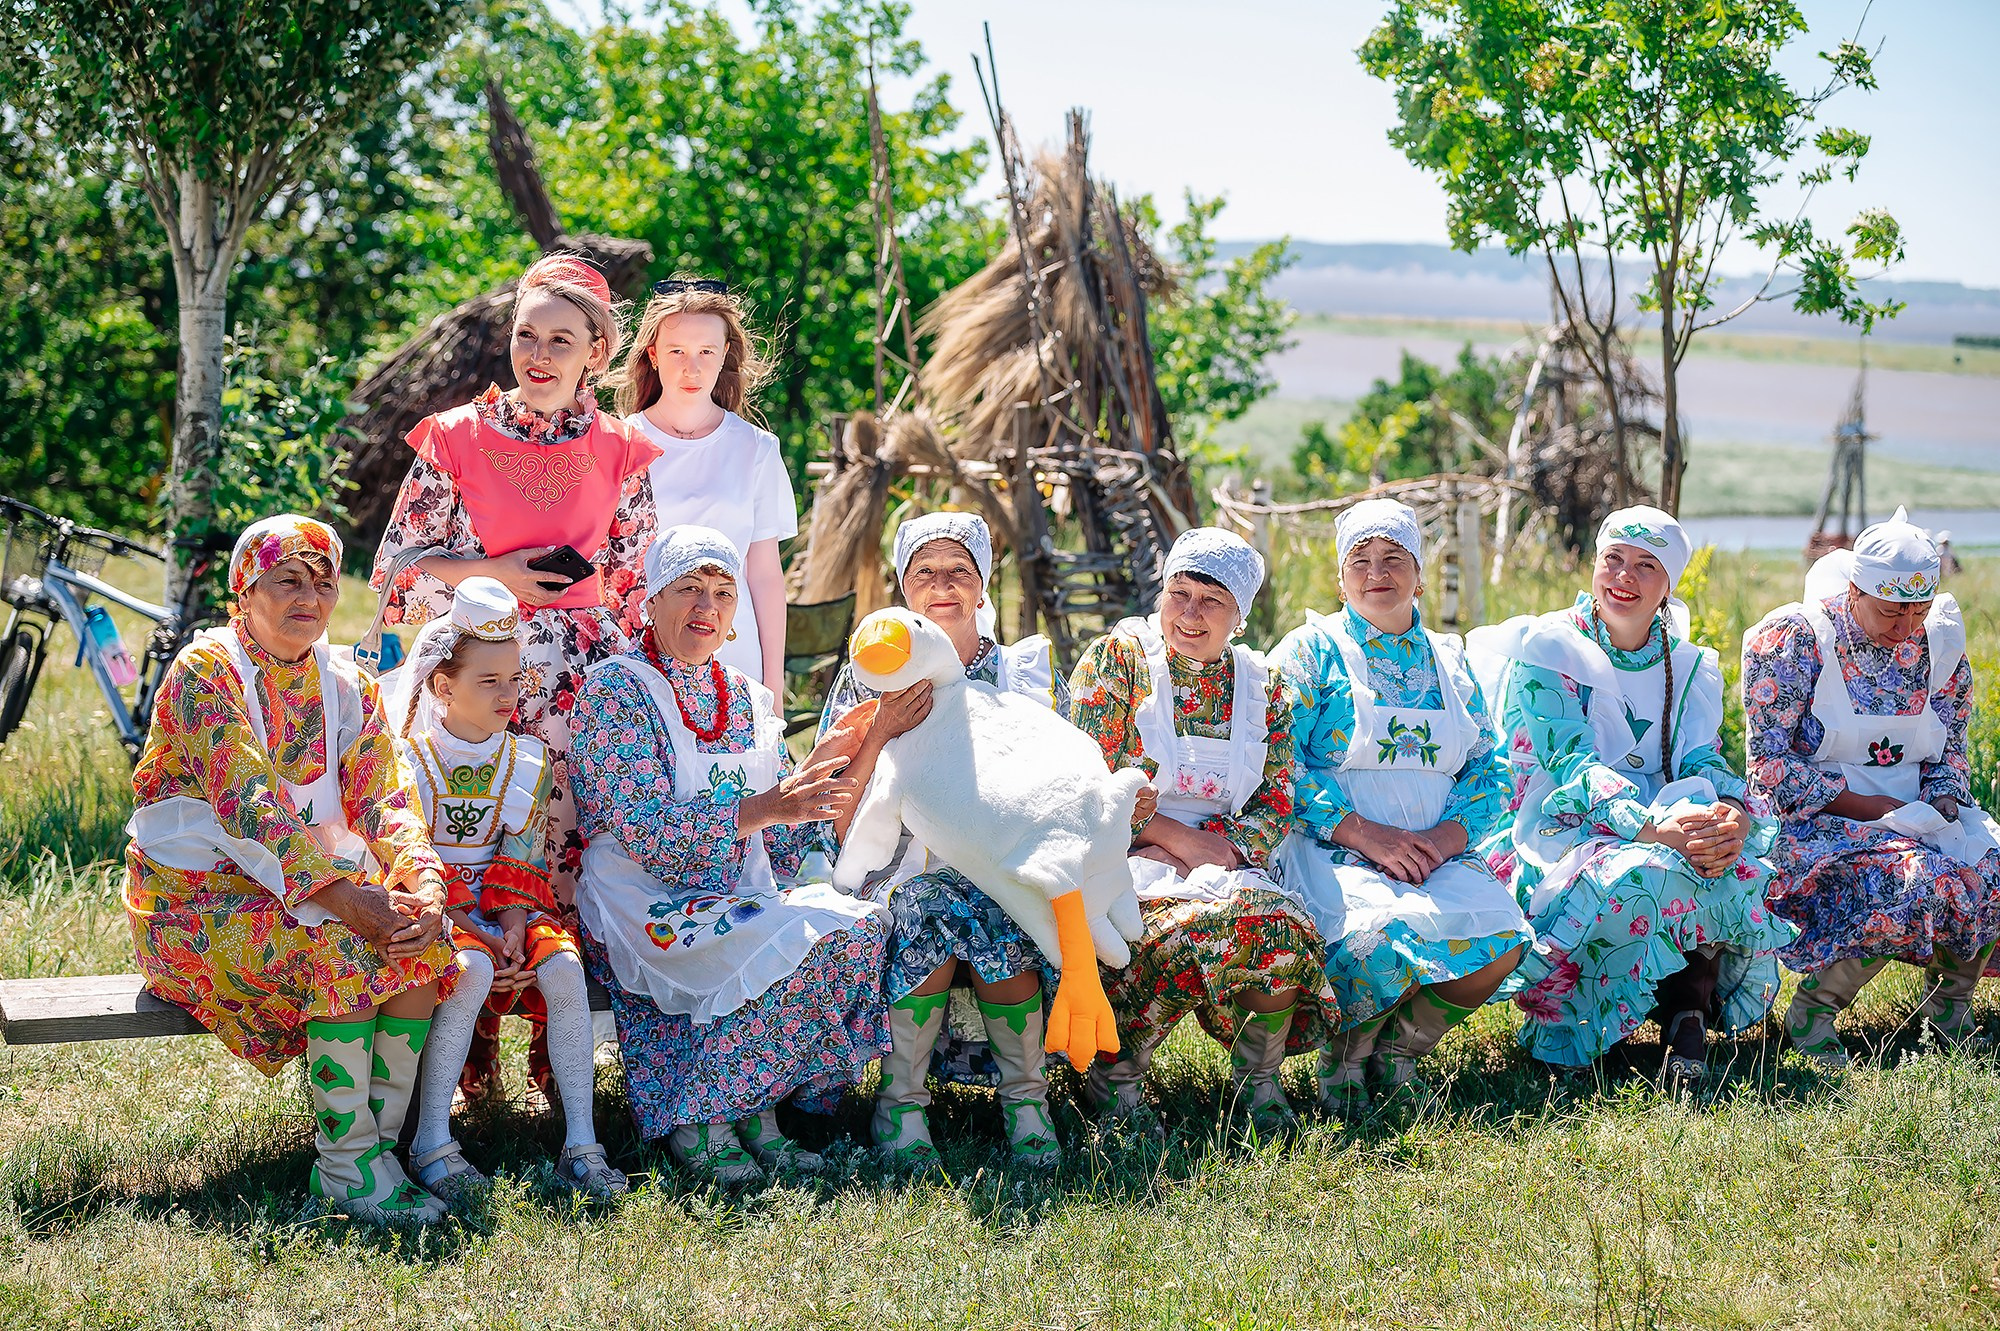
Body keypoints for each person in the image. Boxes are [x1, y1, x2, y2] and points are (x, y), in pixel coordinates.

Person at [371, 252, 658, 1103]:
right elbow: (394, 573)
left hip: (581, 699)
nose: (537, 354)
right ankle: (458, 1066)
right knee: (466, 846)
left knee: (560, 864)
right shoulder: (456, 437)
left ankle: (557, 1062)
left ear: (595, 353)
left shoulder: (623, 450)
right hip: (471, 687)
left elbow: (638, 588)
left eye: (559, 340)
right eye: (526, 335)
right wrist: (494, 570)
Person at [124, 516, 456, 1225]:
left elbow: (387, 796)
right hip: (197, 900)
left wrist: (423, 885)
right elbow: (251, 806)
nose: (311, 595)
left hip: (305, 885)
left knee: (422, 944)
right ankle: (345, 1164)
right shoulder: (204, 672)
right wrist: (349, 900)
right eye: (288, 579)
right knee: (343, 941)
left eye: (324, 581)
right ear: (245, 590)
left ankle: (373, 1151)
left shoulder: (346, 682)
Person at [570, 526, 888, 1185]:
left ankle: (753, 1106)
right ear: (650, 601)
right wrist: (768, 808)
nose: (706, 607)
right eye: (688, 588)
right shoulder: (614, 692)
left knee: (854, 925)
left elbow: (782, 836)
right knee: (761, 933)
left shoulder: (749, 699)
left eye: (722, 591)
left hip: (736, 892)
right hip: (641, 897)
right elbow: (647, 833)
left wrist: (854, 750)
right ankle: (699, 1119)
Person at [1468, 506, 1793, 1079]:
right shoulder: (1549, 650)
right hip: (1556, 820)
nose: (1624, 577)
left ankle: (1685, 1016)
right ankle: (1587, 1033)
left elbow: (1698, 761)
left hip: (1660, 819)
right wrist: (1653, 829)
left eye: (1646, 566)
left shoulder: (1688, 665)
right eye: (1612, 560)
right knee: (1637, 875)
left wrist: (1733, 814)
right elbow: (1570, 763)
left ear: (1669, 585)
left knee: (1728, 861)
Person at [817, 511, 1071, 1168]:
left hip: (1006, 867)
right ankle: (902, 1104)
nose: (943, 585)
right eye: (925, 572)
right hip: (896, 872)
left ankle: (1025, 1100)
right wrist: (879, 732)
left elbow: (1067, 786)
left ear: (983, 586)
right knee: (930, 900)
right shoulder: (871, 671)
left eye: (959, 570)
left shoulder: (1025, 675)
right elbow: (829, 812)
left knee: (990, 900)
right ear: (905, 588)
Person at [1065, 527, 1334, 1137]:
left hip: (1228, 860)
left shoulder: (1267, 688)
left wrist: (1224, 852)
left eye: (1211, 601)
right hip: (1119, 852)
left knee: (1281, 930)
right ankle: (1115, 1078)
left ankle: (1256, 1080)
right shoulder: (1118, 662)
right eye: (1178, 593)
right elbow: (1085, 778)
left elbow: (1276, 798)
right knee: (1170, 934)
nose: (1190, 613)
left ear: (1238, 616)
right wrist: (1172, 838)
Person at [1271, 500, 1528, 1107]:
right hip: (1337, 847)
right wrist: (1366, 836)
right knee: (1375, 939)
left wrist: (1442, 842)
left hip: (1432, 851)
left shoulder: (1451, 658)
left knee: (1503, 939)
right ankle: (1345, 1058)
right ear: (1340, 579)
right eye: (1359, 561)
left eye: (1393, 559)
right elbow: (1278, 762)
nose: (1375, 573)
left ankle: (1399, 1050)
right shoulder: (1310, 650)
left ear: (1418, 570)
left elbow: (1489, 768)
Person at [386, 578, 628, 1203]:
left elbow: (520, 854)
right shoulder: (409, 758)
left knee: (565, 969)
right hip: (434, 908)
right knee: (466, 970)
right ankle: (432, 1141)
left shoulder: (528, 758)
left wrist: (514, 924)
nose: (506, 695)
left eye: (514, 680)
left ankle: (581, 1140)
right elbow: (404, 852)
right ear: (443, 685)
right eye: (487, 681)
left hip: (503, 906)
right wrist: (475, 927)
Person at [1743, 508, 2000, 1064]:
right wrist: (1865, 806)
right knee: (1910, 877)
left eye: (1919, 611)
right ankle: (1815, 1008)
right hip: (1813, 822)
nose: (1905, 629)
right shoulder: (1796, 639)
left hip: (1913, 814)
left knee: (1991, 865)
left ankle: (1949, 1006)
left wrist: (1943, 802)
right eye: (1889, 612)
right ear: (1855, 590)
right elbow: (1768, 766)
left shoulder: (1939, 647)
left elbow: (1948, 748)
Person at [615, 276, 794, 691]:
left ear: (725, 354)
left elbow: (765, 575)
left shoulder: (757, 448)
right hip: (640, 651)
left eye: (705, 351)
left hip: (735, 651)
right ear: (653, 354)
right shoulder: (620, 443)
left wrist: (774, 689)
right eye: (677, 350)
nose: (691, 367)